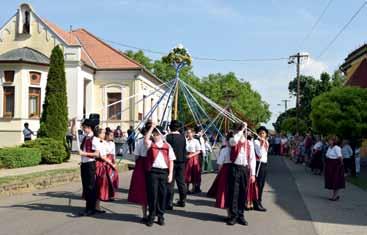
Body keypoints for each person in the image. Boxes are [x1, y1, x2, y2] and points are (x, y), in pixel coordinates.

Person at [144, 124, 175, 227]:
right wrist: (152, 127)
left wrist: (170, 174)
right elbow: (146, 138)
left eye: (157, 134)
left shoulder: (168, 146)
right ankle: (151, 216)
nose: (154, 135)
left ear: (161, 135)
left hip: (164, 172)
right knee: (153, 194)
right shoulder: (150, 144)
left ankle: (160, 216)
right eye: (154, 134)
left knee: (163, 194)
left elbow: (171, 161)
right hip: (153, 172)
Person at [227, 123, 256, 226]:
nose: (235, 131)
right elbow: (234, 141)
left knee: (243, 193)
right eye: (236, 130)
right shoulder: (232, 140)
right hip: (235, 167)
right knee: (234, 193)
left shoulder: (249, 143)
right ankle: (233, 215)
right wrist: (241, 129)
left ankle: (241, 214)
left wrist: (252, 174)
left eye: (237, 130)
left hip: (244, 169)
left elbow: (252, 159)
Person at [127, 122, 151, 222]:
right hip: (149, 165)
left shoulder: (139, 141)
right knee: (149, 189)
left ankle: (145, 215)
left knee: (143, 190)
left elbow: (136, 156)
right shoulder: (155, 140)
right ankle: (151, 213)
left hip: (141, 164)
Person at [78, 119, 100, 216]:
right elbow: (74, 133)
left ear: (88, 128)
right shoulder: (84, 137)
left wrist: (84, 153)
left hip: (90, 164)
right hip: (84, 164)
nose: (83, 128)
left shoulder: (94, 139)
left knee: (91, 186)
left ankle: (91, 208)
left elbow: (97, 154)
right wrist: (74, 123)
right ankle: (88, 207)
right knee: (86, 186)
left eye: (84, 127)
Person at [207, 132, 233, 213]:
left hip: (225, 169)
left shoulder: (224, 150)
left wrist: (219, 171)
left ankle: (225, 205)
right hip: (233, 168)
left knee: (224, 188)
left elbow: (220, 163)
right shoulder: (235, 149)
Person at [165, 120, 187, 210]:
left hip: (171, 162)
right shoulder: (183, 137)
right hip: (181, 161)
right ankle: (183, 201)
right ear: (178, 128)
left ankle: (169, 202)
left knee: (170, 182)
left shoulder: (167, 137)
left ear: (170, 127)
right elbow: (184, 149)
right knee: (181, 182)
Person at [252, 126, 269, 212]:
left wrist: (264, 143)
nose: (262, 135)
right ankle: (256, 203)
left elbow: (265, 155)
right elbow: (259, 154)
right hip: (258, 164)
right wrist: (261, 144)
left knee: (261, 184)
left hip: (264, 164)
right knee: (257, 184)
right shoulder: (256, 142)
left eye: (264, 133)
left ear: (266, 134)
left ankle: (259, 201)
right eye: (260, 133)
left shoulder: (267, 142)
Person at [324, 136, 345, 201]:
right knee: (332, 181)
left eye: (330, 140)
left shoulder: (337, 148)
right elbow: (327, 155)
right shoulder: (330, 147)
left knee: (336, 181)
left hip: (335, 166)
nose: (329, 141)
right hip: (330, 165)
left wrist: (341, 166)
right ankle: (335, 195)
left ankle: (335, 196)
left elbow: (340, 157)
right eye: (328, 140)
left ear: (334, 141)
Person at [185, 128, 202, 194]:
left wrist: (191, 155)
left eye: (189, 132)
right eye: (187, 132)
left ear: (193, 133)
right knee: (186, 173)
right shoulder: (185, 140)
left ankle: (193, 188)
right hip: (186, 157)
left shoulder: (196, 141)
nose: (188, 134)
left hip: (193, 157)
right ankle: (186, 188)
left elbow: (198, 151)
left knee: (193, 173)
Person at [105, 128, 119, 200]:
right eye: (110, 135)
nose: (112, 137)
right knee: (106, 178)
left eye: (112, 135)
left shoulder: (113, 143)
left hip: (111, 160)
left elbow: (114, 154)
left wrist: (114, 162)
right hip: (106, 160)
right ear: (106, 136)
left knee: (113, 177)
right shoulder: (103, 143)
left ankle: (112, 194)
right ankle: (106, 194)